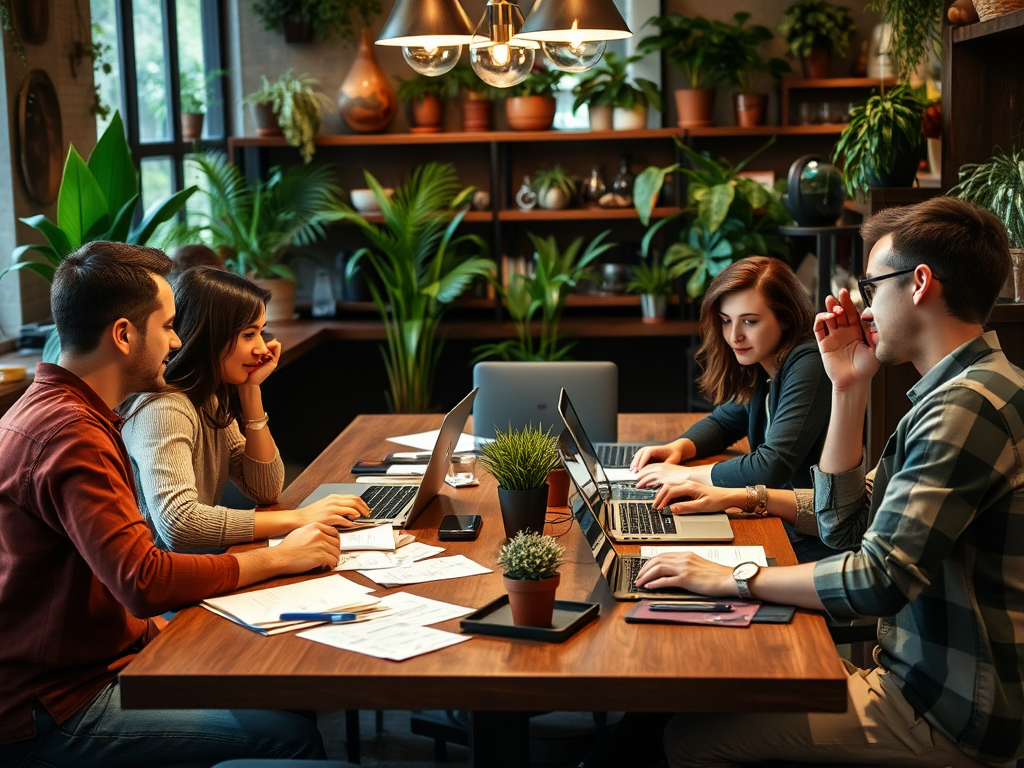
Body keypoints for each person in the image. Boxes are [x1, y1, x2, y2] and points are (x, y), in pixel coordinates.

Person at [636, 198, 1024, 768]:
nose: (865, 308)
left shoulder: (965, 410)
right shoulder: (965, 391)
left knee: (689, 740)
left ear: (918, 284)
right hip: (921, 678)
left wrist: (733, 578)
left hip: (945, 708)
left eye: (872, 287)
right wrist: (849, 387)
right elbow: (848, 522)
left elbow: (879, 578)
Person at [0, 242, 343, 767]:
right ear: (123, 334)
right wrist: (278, 556)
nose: (178, 341)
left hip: (92, 664)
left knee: (288, 696)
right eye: (167, 325)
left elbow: (112, 578)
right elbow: (145, 581)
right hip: (57, 708)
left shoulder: (59, 409)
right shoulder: (72, 436)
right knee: (291, 736)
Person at [121, 266, 368, 553]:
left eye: (261, 333)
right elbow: (180, 524)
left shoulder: (209, 397)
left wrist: (251, 390)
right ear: (210, 336)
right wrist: (300, 518)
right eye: (249, 334)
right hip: (168, 585)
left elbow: (264, 489)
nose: (262, 348)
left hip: (199, 567)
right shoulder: (164, 409)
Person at [630, 256, 833, 562]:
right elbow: (725, 421)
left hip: (815, 537)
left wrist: (687, 476)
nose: (734, 335)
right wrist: (678, 448)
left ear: (786, 318)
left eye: (749, 321)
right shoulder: (765, 366)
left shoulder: (808, 363)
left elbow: (771, 466)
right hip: (776, 518)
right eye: (726, 320)